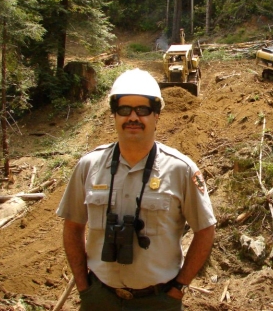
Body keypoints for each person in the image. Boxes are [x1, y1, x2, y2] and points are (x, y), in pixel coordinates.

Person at [56, 68, 216, 311]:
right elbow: (73, 226)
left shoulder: (180, 170)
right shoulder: (89, 166)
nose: (133, 117)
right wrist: (83, 287)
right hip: (100, 298)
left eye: (143, 110)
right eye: (124, 110)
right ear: (114, 114)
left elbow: (205, 230)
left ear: (156, 115)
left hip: (158, 300)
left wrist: (178, 289)